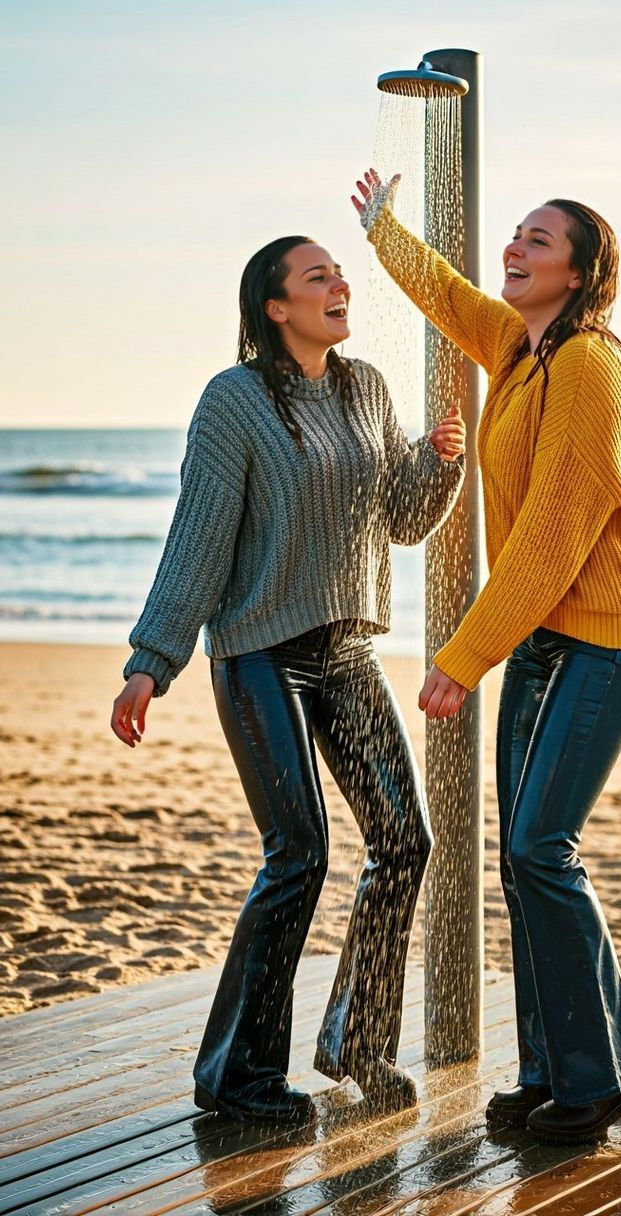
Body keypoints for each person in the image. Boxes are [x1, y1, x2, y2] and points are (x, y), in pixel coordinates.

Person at [110, 233, 465, 1123]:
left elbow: (402, 520)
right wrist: (151, 663)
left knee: (405, 841)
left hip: (348, 654)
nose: (340, 284)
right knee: (299, 852)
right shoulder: (232, 401)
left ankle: (357, 1042)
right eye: (318, 277)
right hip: (260, 655)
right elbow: (199, 537)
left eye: (338, 273)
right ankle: (237, 1077)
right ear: (277, 308)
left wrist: (439, 461)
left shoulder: (365, 387)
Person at [353, 169, 621, 1145]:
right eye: (517, 233)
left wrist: (463, 655)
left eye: (539, 239)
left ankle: (596, 1081)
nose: (516, 247)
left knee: (540, 849)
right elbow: (448, 294)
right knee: (528, 864)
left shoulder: (587, 367)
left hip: (603, 641)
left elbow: (554, 533)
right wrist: (381, 229)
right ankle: (564, 1071)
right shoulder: (518, 350)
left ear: (579, 272)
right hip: (540, 640)